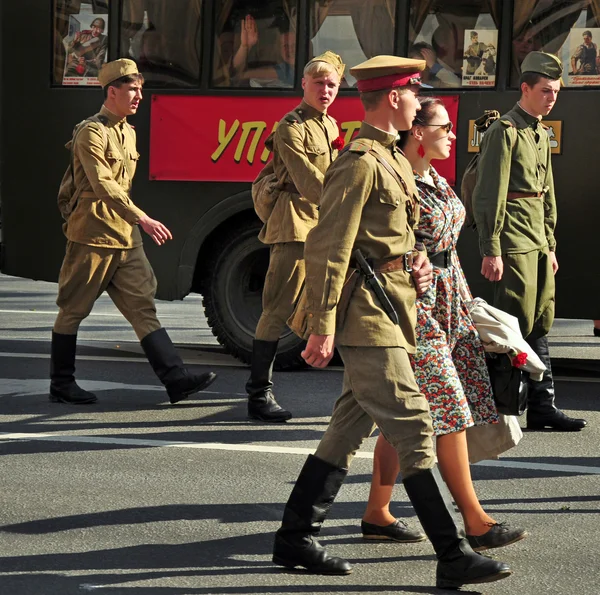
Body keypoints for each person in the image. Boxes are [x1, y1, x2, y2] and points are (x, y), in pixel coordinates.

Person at [273, 55, 511, 590]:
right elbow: (329, 247)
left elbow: (395, 237)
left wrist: (418, 262)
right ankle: (452, 554)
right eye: (413, 93)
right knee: (415, 425)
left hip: (399, 305)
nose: (420, 101)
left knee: (345, 429)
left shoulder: (392, 159)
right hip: (367, 315)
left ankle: (294, 536)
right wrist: (320, 324)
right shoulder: (358, 161)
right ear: (394, 98)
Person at [361, 96, 527, 552]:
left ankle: (377, 512)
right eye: (444, 127)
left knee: (399, 419)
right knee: (449, 410)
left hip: (449, 302)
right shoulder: (395, 179)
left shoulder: (431, 176)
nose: (453, 135)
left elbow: (448, 247)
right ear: (417, 131)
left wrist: (465, 300)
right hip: (414, 310)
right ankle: (474, 521)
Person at [50, 59, 216, 405]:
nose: (140, 96)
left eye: (141, 89)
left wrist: (134, 223)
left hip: (124, 238)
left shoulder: (128, 131)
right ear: (112, 92)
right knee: (72, 309)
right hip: (92, 237)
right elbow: (104, 185)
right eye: (132, 89)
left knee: (143, 307)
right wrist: (143, 218)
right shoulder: (90, 132)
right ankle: (61, 383)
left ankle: (176, 380)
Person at [472, 51, 587, 432]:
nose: (552, 97)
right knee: (512, 325)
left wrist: (550, 243)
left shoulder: (539, 131)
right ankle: (502, 410)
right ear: (525, 89)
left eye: (555, 91)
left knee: (540, 320)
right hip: (513, 242)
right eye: (545, 91)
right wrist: (491, 249)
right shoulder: (504, 132)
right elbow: (489, 193)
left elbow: (547, 192)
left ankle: (542, 406)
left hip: (536, 241)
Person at [245, 51, 345, 422]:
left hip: (321, 222)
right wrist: (345, 209)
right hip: (294, 223)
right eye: (318, 83)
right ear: (303, 84)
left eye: (332, 84)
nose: (325, 90)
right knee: (277, 308)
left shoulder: (330, 126)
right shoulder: (290, 126)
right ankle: (259, 394)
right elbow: (308, 180)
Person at [232, 14, 296, 87]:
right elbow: (237, 75)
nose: (290, 49)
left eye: (294, 45)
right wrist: (245, 46)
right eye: (285, 46)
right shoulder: (283, 70)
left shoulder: (311, 66)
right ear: (279, 51)